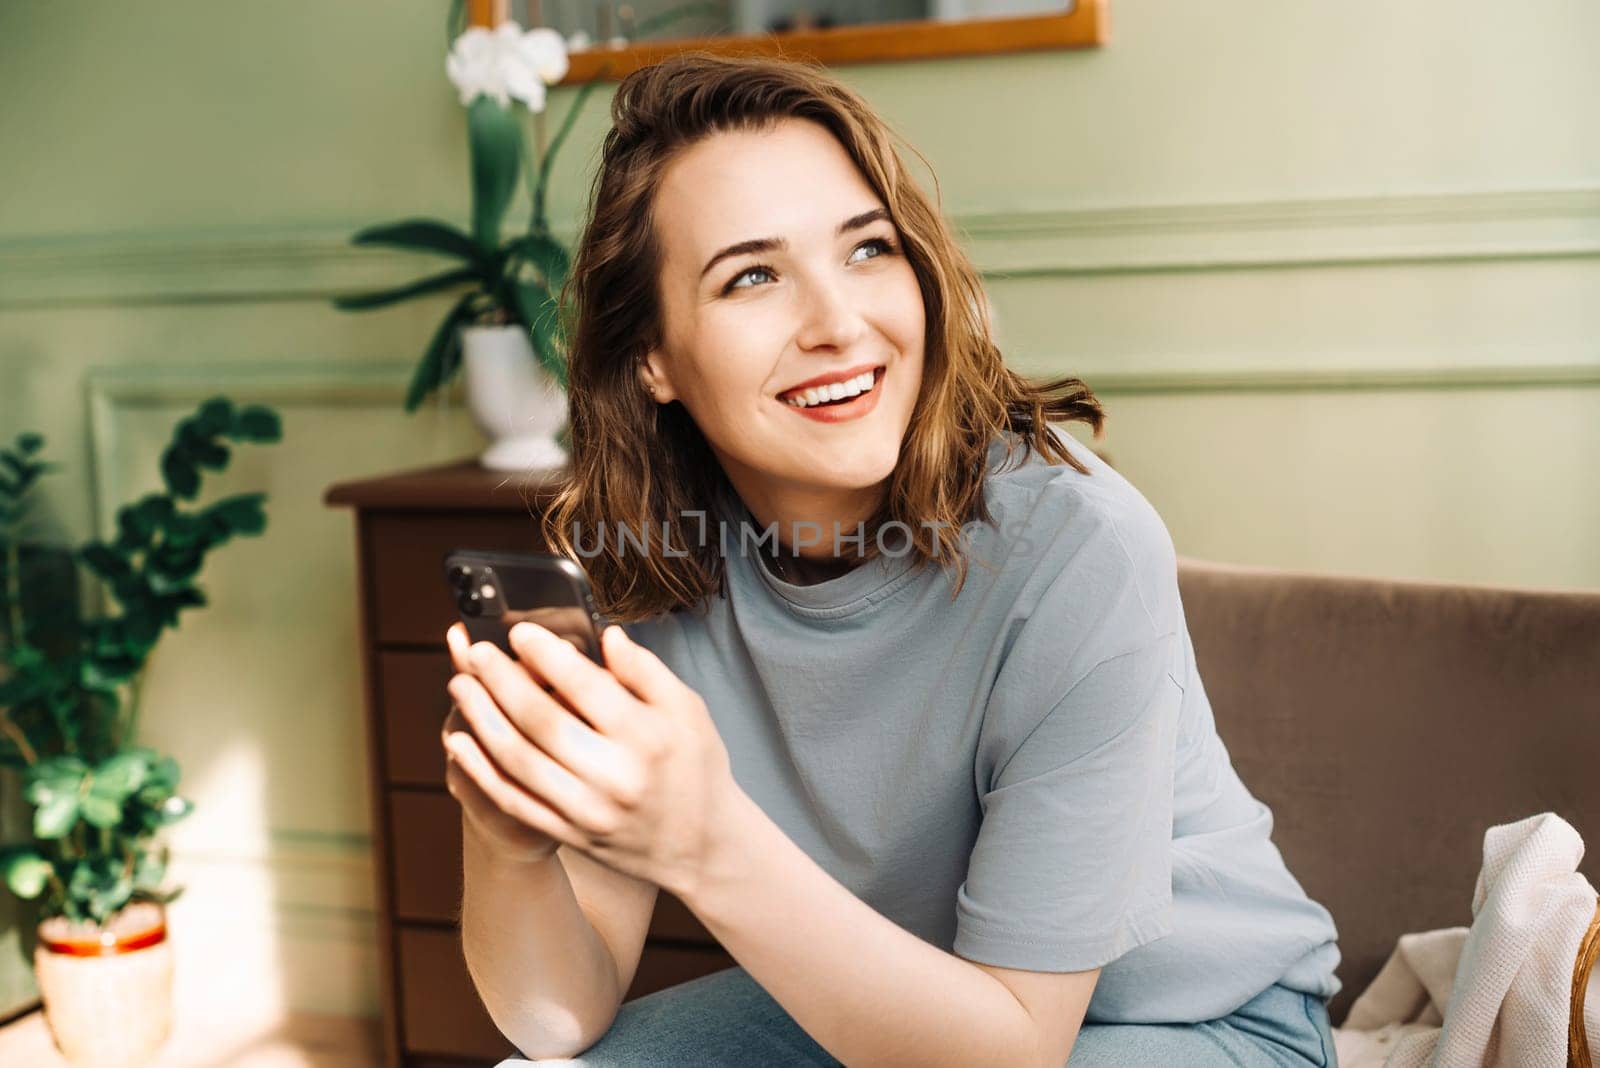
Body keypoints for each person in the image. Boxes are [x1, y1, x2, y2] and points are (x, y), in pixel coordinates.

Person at [439, 51, 1341, 1066]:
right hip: (903, 997)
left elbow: (1011, 1051)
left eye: (867, 251)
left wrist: (704, 841)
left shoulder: (1080, 550)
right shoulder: (661, 559)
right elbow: (556, 1018)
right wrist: (510, 843)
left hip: (1189, 1023)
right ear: (651, 358)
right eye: (751, 276)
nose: (838, 324)